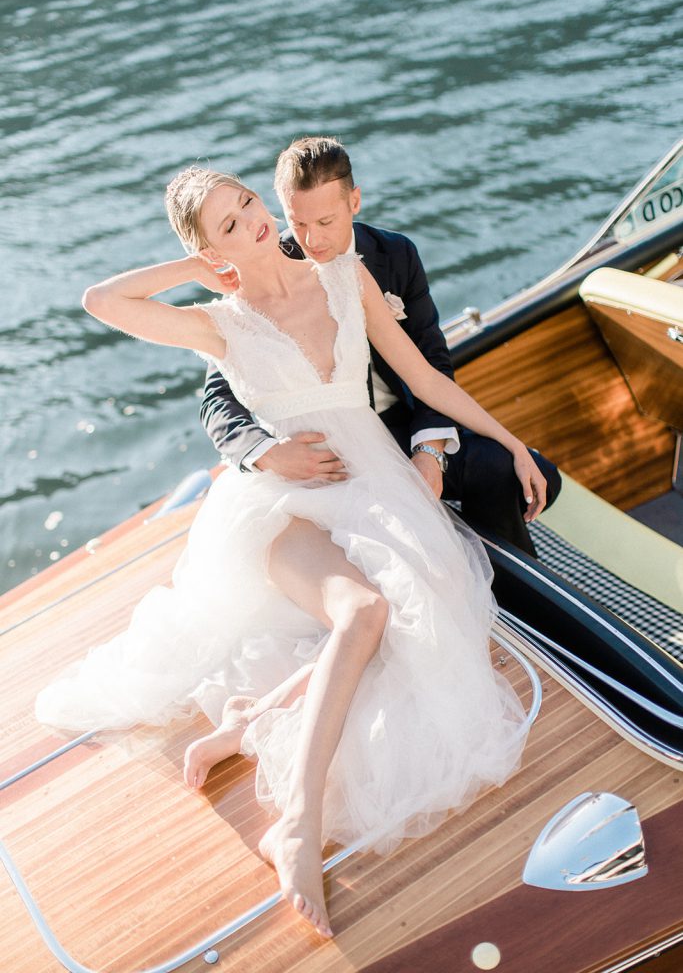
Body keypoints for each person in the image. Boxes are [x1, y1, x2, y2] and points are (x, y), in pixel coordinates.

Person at [36, 165, 545, 940]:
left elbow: (420, 377)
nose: (251, 224)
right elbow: (100, 303)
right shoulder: (216, 321)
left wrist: (508, 443)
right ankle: (297, 826)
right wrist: (192, 270)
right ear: (210, 250)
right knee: (367, 612)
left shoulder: (346, 278)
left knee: (421, 615)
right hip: (278, 508)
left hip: (373, 486)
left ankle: (249, 720)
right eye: (227, 227)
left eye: (246, 204)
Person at [200, 136, 561, 557]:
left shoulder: (395, 254)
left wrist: (429, 451)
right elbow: (216, 400)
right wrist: (268, 453)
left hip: (402, 421)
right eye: (297, 224)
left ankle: (508, 574)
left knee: (516, 472)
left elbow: (430, 362)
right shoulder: (267, 272)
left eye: (326, 222)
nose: (311, 241)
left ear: (354, 201)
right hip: (330, 452)